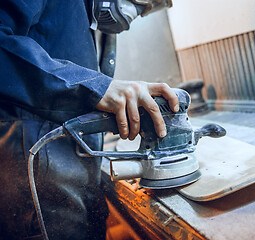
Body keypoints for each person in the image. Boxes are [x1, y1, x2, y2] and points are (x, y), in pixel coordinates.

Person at [0, 0, 176, 239]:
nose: (140, 10)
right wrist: (97, 87)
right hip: (34, 176)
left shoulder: (88, 18)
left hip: (78, 176)